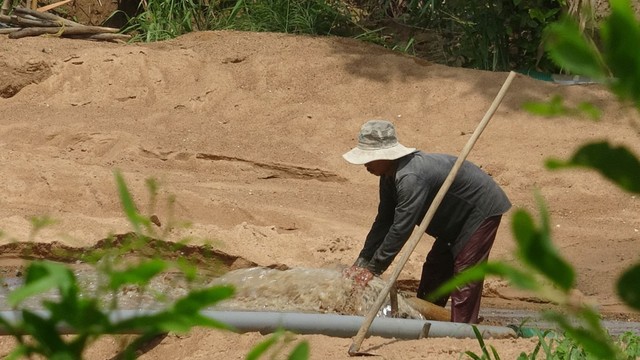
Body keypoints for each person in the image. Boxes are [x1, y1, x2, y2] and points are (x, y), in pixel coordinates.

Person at [342, 119, 511, 324]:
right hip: (452, 219)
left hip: (479, 210)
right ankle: (425, 319)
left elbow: (401, 228)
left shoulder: (410, 177)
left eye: (369, 158)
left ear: (385, 155)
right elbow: (383, 221)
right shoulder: (388, 176)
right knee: (436, 268)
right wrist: (361, 262)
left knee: (465, 274)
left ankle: (464, 329)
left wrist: (373, 269)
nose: (365, 164)